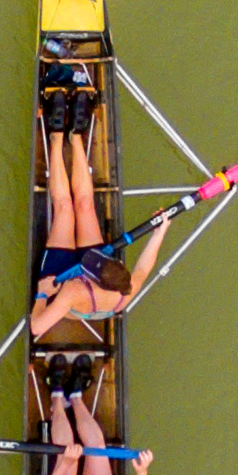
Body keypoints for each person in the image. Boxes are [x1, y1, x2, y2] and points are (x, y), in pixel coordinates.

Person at [31, 82, 169, 336]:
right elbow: (144, 267)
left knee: (64, 209)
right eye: (101, 259)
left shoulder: (72, 290)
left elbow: (36, 326)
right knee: (84, 205)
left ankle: (56, 137)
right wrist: (160, 232)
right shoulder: (128, 286)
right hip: (87, 286)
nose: (93, 258)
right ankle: (75, 138)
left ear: (97, 282)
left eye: (93, 264)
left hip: (60, 286)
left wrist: (43, 293)